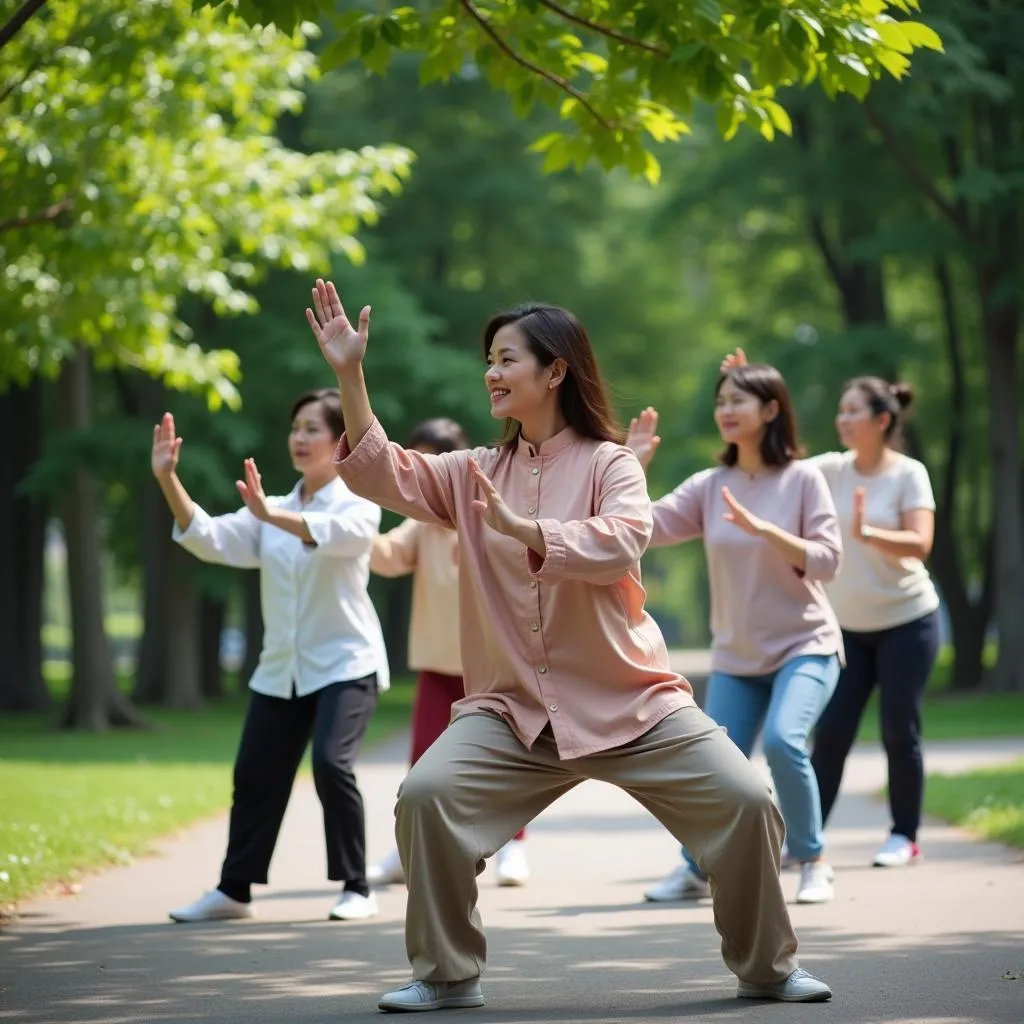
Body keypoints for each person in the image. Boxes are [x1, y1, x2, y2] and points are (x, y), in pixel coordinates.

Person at [304, 277, 832, 1011]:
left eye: (507, 358)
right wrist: (349, 373)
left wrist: (532, 533)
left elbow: (622, 540)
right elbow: (380, 472)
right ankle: (448, 975)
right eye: (488, 358)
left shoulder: (611, 463)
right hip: (511, 713)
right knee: (426, 795)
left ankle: (767, 968)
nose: (491, 372)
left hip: (632, 703)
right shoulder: (474, 473)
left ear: (555, 370)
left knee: (746, 800)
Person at [153, 387, 389, 924]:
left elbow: (337, 537)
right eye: (296, 427)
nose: (300, 438)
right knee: (255, 772)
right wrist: (169, 477)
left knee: (332, 765)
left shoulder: (359, 504)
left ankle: (356, 886)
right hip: (281, 668)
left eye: (313, 428)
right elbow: (209, 537)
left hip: (346, 664)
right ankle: (233, 891)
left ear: (339, 441)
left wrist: (268, 515)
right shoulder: (272, 509)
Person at [626, 364, 843, 907]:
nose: (725, 410)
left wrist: (767, 530)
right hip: (738, 657)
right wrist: (629, 468)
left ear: (771, 410)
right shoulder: (710, 486)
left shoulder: (803, 480)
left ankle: (812, 860)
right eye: (721, 400)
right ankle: (695, 868)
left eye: (738, 400)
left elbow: (828, 561)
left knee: (783, 741)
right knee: (714, 763)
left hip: (806, 645)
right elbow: (639, 530)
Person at [722, 352, 940, 867]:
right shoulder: (827, 470)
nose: (841, 420)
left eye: (851, 412)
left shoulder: (909, 474)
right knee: (832, 732)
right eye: (840, 412)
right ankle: (805, 843)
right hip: (846, 629)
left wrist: (869, 533)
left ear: (881, 421)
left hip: (908, 620)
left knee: (897, 727)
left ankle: (903, 835)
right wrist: (748, 388)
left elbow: (921, 543)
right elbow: (777, 465)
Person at [367, 417, 530, 889]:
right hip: (439, 665)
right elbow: (387, 556)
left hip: (493, 666)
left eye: (426, 460)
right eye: (410, 461)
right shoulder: (419, 524)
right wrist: (350, 535)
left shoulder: (486, 510)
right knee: (422, 764)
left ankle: (513, 846)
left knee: (509, 760)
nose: (417, 472)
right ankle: (411, 850)